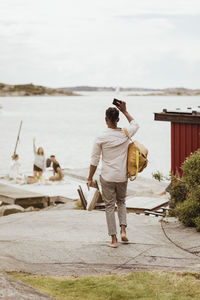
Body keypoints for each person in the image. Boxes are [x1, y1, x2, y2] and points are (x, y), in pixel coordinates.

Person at [88, 101, 139, 248]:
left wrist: (90, 177)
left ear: (106, 119)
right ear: (118, 119)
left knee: (110, 206)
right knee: (121, 202)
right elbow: (135, 124)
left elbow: (94, 160)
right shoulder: (125, 133)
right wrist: (125, 110)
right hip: (122, 176)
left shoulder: (100, 137)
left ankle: (114, 240)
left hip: (107, 177)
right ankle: (123, 230)